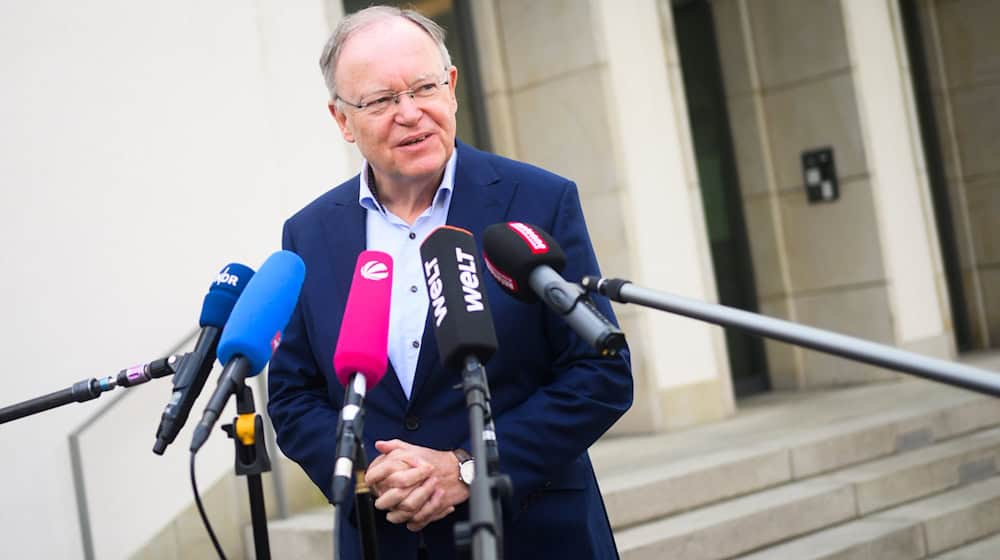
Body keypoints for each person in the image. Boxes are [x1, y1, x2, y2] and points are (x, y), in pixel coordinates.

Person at [267, 5, 633, 559]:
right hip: (383, 537)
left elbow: (599, 373)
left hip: (533, 534)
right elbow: (294, 396)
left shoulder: (536, 201)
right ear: (342, 120)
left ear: (453, 87)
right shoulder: (310, 234)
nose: (411, 113)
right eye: (382, 100)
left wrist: (466, 468)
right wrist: (374, 472)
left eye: (423, 88)